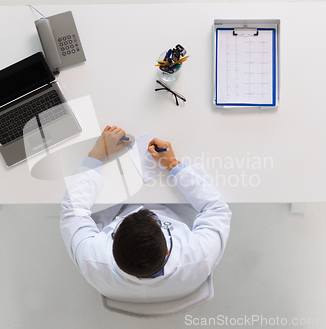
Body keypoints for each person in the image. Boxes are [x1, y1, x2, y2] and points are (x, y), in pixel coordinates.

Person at [60, 125, 232, 302]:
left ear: (112, 246)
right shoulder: (198, 255)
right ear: (166, 249)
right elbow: (216, 209)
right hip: (175, 213)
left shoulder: (93, 258)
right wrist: (173, 164)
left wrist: (97, 152)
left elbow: (73, 210)